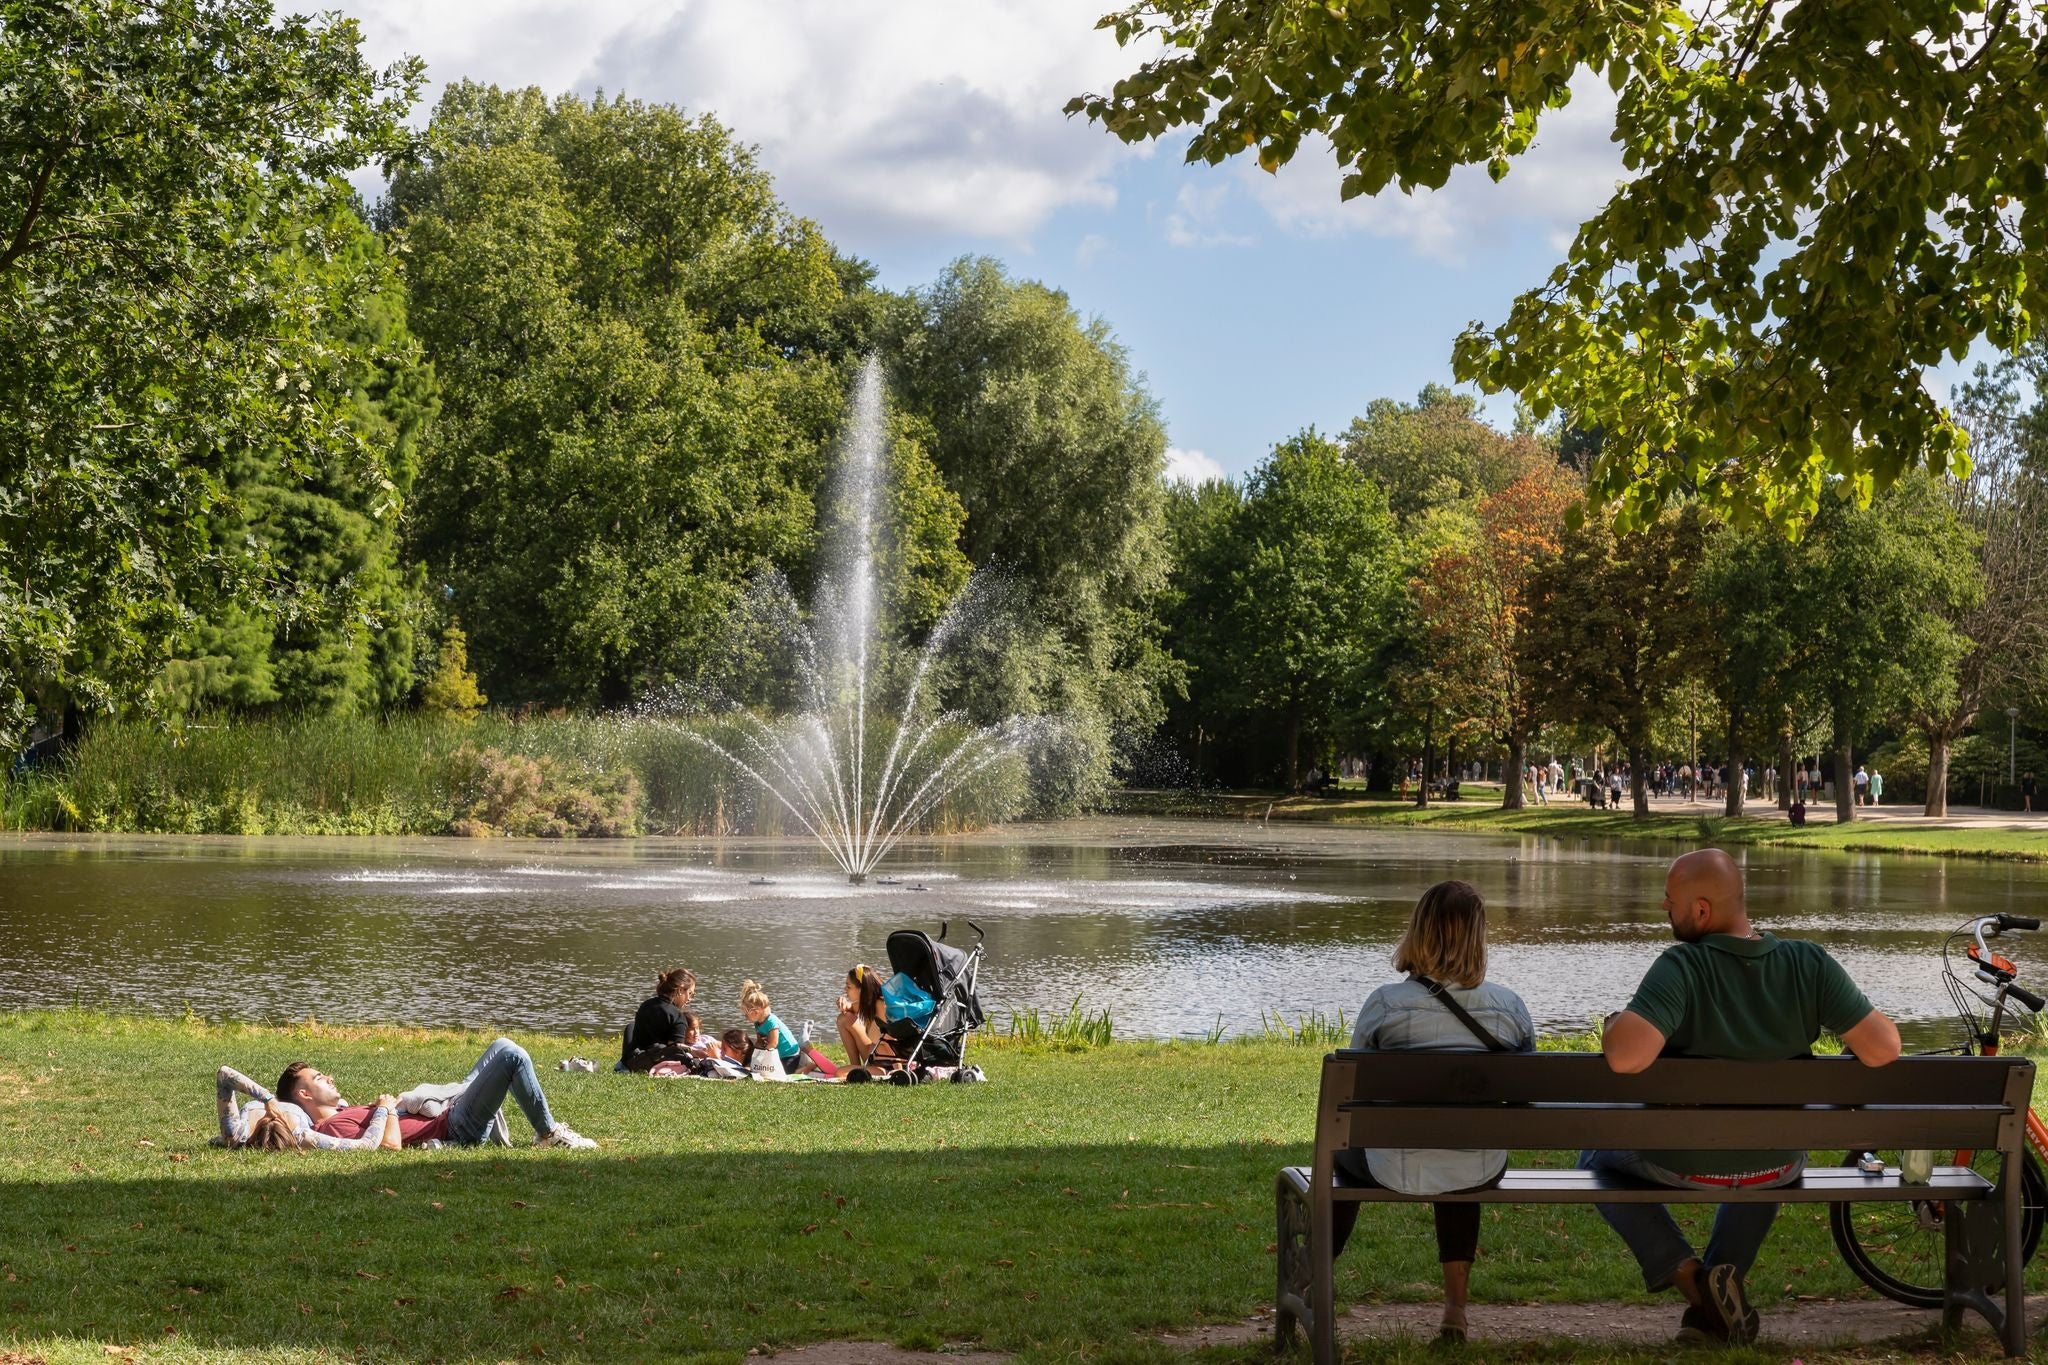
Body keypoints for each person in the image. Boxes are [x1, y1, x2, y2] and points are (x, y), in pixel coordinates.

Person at [1582, 849, 1900, 1345]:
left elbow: (1625, 1057)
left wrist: (1613, 1025)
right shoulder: (1808, 963)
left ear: (1701, 910)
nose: (1664, 907)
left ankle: (1692, 1280)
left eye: (1670, 901)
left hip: (1681, 1161)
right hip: (1777, 1163)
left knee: (1593, 1155)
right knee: (1763, 1151)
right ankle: (1718, 1298)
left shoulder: (1683, 966)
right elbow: (1884, 1048)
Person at [1333, 880, 1535, 1343]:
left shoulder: (1386, 1003)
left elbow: (1353, 1095)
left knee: (1337, 1152)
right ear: (1478, 938)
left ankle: (1314, 1276)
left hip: (1391, 1165)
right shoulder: (1509, 1008)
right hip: (1480, 1165)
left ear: (1418, 932)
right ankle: (1455, 1309)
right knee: (1462, 1152)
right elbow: (1525, 1101)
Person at [278, 1039, 597, 1149]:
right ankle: (549, 1134)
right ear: (304, 1094)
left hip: (450, 1108)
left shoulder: (343, 1113)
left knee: (501, 1044)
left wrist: (388, 1105)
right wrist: (386, 1108)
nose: (329, 1077)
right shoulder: (333, 1127)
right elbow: (388, 1146)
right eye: (319, 1078)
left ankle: (546, 1131)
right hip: (456, 1125)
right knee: (512, 1057)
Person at [217, 1066, 397, 1150]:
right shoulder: (302, 1135)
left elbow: (225, 1074)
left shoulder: (235, 1134)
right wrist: (384, 1110)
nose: (272, 1114)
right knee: (341, 1104)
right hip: (309, 1105)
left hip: (296, 1100)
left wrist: (267, 1098)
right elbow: (367, 1145)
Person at [618, 966, 698, 1072]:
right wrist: (694, 1053)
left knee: (631, 1026)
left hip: (632, 1061)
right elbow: (676, 1049)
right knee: (692, 1061)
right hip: (654, 1063)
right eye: (690, 994)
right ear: (680, 990)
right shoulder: (678, 1017)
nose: (689, 999)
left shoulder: (646, 1005)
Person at [739, 979, 811, 1075]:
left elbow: (773, 1043)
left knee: (785, 1075)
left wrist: (763, 1056)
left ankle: (809, 1066)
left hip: (789, 1054)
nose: (745, 1017)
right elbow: (760, 1041)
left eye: (746, 1014)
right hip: (777, 1054)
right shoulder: (757, 1023)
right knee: (763, 1069)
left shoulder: (771, 1022)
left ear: (755, 1012)